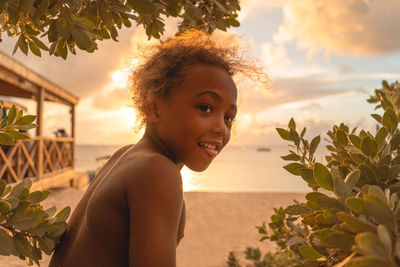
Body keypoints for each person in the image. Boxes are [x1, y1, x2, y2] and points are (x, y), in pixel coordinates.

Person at [49, 29, 265, 267]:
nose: (222, 129)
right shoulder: (157, 170)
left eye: (228, 117)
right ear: (153, 106)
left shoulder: (126, 155)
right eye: (205, 107)